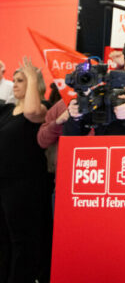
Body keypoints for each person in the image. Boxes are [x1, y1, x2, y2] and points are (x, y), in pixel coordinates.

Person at [0, 59, 48, 282]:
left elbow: (31, 111)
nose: (15, 84)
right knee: (5, 237)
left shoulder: (42, 109)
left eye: (22, 80)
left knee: (23, 238)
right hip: (5, 183)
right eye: (15, 80)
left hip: (25, 185)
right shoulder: (8, 110)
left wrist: (31, 76)